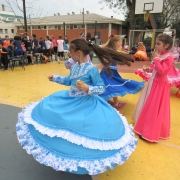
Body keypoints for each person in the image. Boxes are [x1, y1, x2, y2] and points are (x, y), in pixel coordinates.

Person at [16, 38, 137, 175]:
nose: (69, 55)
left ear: (78, 52)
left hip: (85, 103)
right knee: (53, 112)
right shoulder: (74, 67)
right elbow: (69, 81)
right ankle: (61, 150)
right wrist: (55, 78)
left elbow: (101, 88)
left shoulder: (91, 70)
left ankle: (81, 157)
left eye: (70, 52)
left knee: (84, 128)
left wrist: (88, 88)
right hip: (70, 99)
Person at [132, 34, 174, 142]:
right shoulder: (160, 55)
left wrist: (155, 58)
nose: (156, 46)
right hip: (153, 83)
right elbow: (155, 68)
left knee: (154, 108)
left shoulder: (169, 58)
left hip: (160, 86)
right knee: (148, 105)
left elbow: (161, 71)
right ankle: (144, 127)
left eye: (158, 44)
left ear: (166, 45)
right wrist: (149, 69)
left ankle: (150, 132)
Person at [99, 35, 145, 109]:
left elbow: (114, 60)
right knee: (112, 85)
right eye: (119, 42)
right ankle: (115, 103)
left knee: (110, 85)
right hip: (108, 71)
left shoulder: (113, 50)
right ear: (115, 42)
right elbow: (106, 60)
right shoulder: (111, 50)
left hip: (110, 71)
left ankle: (107, 100)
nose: (120, 43)